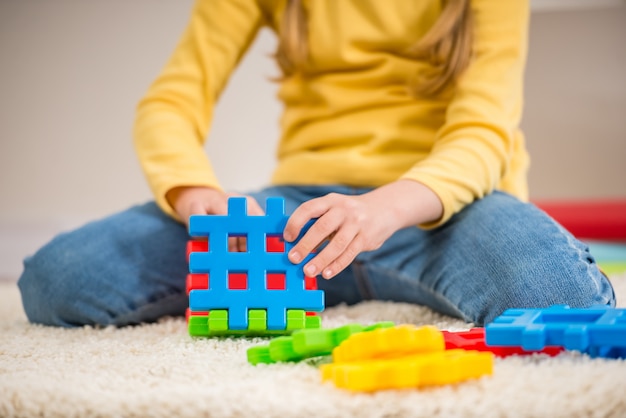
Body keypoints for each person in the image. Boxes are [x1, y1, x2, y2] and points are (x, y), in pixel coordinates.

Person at [18, 0, 615, 328]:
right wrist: (196, 194)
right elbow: (171, 101)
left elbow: (484, 131)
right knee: (60, 277)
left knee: (563, 299)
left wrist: (384, 207)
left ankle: (345, 281)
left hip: (441, 208)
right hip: (302, 216)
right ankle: (324, 283)